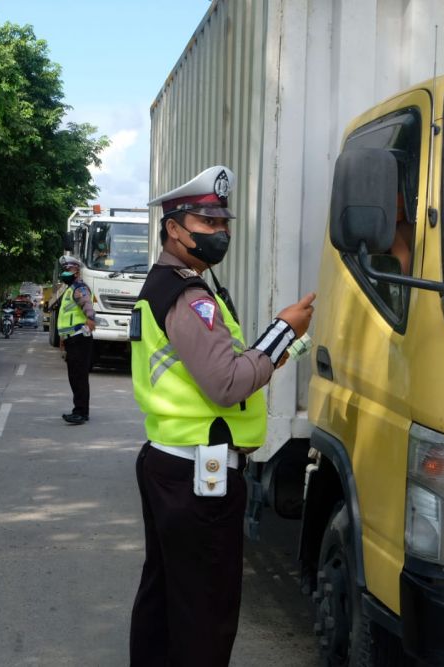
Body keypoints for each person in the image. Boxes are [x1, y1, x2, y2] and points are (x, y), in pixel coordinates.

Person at [129, 165, 316, 666]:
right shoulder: (189, 295)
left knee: (167, 599)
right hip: (198, 475)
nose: (221, 234)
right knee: (205, 615)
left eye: (223, 223)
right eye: (208, 224)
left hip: (173, 463)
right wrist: (283, 330)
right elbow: (227, 382)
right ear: (174, 227)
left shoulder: (176, 284)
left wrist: (286, 346)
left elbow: (230, 365)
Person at [56, 255, 97, 424]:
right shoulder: (70, 289)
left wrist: (91, 318)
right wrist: (62, 339)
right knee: (75, 376)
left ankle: (80, 412)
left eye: (69, 270)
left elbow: (87, 304)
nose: (66, 272)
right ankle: (80, 410)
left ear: (77, 271)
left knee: (79, 377)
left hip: (80, 337)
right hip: (72, 339)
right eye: (64, 270)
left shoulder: (79, 288)